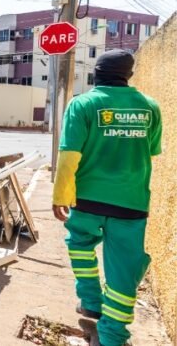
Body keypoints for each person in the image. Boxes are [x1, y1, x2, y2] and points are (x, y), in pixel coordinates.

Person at [52, 49, 162, 346]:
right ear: (129, 76)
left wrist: (61, 195)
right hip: (132, 203)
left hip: (87, 199)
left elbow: (69, 156)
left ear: (96, 74)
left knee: (80, 247)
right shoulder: (150, 107)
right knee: (124, 271)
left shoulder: (83, 104)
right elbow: (150, 149)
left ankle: (90, 300)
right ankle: (112, 337)